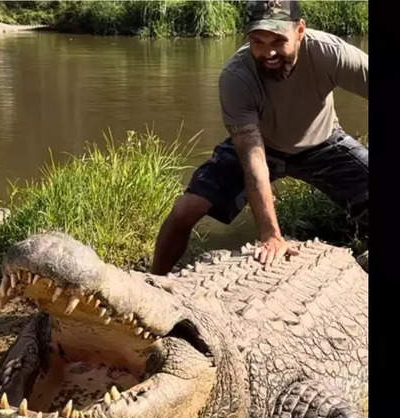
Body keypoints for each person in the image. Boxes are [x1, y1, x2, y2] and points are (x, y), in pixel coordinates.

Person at [150, 0, 368, 274]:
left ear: (300, 31)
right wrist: (271, 234)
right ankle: (153, 280)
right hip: (264, 146)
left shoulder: (330, 53)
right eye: (258, 42)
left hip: (322, 142)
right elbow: (253, 158)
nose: (269, 52)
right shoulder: (236, 76)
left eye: (278, 40)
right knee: (184, 211)